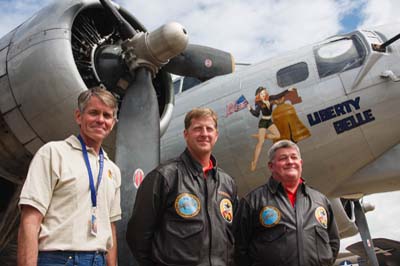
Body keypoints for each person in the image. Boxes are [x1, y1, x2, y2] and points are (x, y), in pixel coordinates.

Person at [18, 87, 121, 266]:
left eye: (107, 115)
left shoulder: (113, 170)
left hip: (99, 259)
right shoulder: (53, 153)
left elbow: (110, 228)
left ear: (113, 122)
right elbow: (30, 219)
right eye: (94, 113)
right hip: (58, 259)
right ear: (79, 116)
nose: (100, 120)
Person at [126, 107, 238, 266]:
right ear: (186, 134)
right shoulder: (164, 176)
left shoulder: (227, 183)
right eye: (197, 129)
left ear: (216, 135)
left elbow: (233, 235)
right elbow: (138, 234)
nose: (204, 134)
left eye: (209, 129)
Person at [234, 140, 340, 266]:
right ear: (271, 166)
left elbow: (333, 243)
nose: (290, 162)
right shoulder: (253, 202)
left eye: (294, 157)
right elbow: (238, 249)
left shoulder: (320, 201)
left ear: (300, 163)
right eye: (283, 158)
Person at [248, 86, 282, 171]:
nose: (264, 94)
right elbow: (256, 114)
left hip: (269, 121)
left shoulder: (270, 99)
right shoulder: (259, 104)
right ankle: (254, 162)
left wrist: (288, 90)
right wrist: (250, 109)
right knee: (261, 142)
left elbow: (278, 96)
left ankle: (261, 136)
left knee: (278, 135)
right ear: (258, 95)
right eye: (262, 93)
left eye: (264, 92)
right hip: (263, 122)